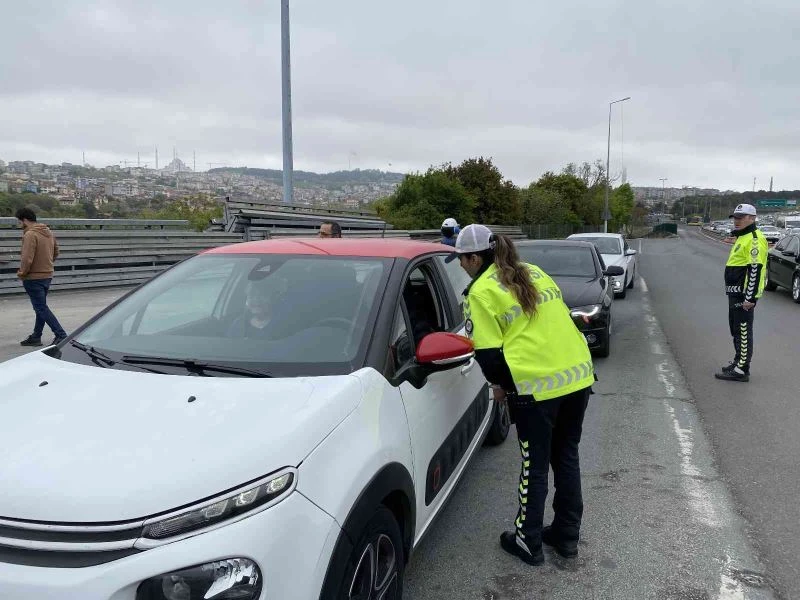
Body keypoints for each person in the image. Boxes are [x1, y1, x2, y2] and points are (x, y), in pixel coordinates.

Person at [454, 224, 594, 566]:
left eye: (462, 259)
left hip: (536, 388)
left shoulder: (480, 292)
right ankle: (566, 536)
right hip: (577, 376)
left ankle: (527, 540)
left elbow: (488, 355)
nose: (461, 266)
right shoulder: (533, 271)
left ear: (475, 259)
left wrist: (502, 386)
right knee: (566, 456)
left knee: (535, 464)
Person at [715, 203, 768, 382]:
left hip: (744, 295)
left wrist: (750, 297)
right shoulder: (742, 237)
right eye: (735, 218)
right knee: (735, 329)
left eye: (741, 217)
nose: (736, 221)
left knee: (743, 331)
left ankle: (742, 370)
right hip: (735, 292)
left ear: (752, 218)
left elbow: (755, 269)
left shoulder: (754, 239)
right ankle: (738, 362)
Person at [15, 207, 68, 347]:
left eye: (19, 221)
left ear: (24, 220)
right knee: (41, 307)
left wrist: (22, 273)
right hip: (47, 275)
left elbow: (27, 258)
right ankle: (36, 336)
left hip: (33, 277)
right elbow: (56, 252)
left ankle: (61, 335)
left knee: (40, 308)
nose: (19, 224)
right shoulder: (48, 231)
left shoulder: (30, 234)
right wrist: (46, 265)